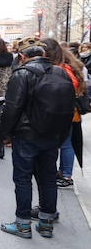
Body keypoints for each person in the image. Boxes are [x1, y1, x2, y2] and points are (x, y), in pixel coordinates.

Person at [0, 38, 75, 238]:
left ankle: (22, 224)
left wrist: (4, 133)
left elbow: (12, 107)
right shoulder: (62, 73)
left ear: (23, 57)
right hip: (52, 134)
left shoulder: (22, 73)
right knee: (48, 178)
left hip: (26, 134)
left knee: (23, 179)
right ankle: (46, 222)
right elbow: (69, 107)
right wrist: (62, 135)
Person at [42, 38, 84, 190]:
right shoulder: (68, 65)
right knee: (65, 144)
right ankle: (63, 173)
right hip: (67, 111)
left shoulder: (63, 68)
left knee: (65, 144)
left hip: (66, 112)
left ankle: (66, 175)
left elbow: (70, 88)